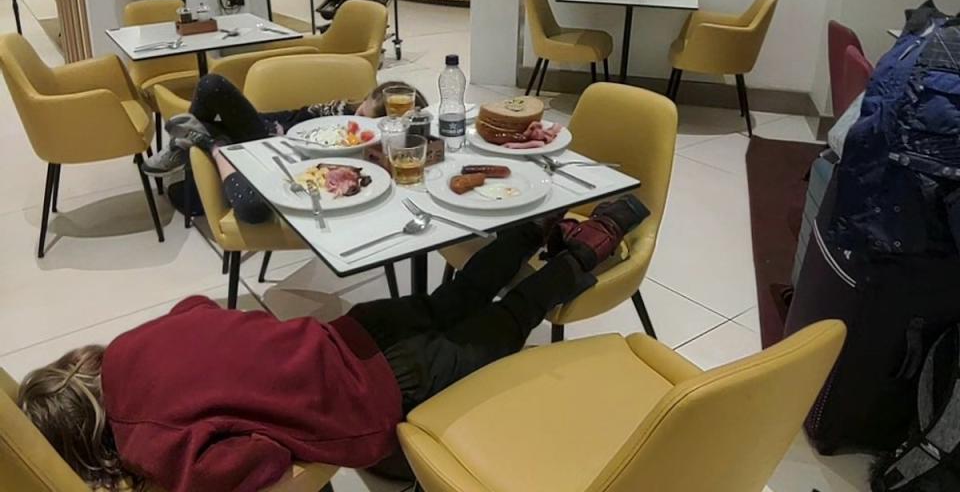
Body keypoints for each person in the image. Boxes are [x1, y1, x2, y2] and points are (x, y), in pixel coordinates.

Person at [18, 195, 648, 492]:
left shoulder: (148, 441)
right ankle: (536, 227)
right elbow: (197, 308)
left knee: (506, 323)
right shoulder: (130, 344)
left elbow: (253, 464)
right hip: (356, 330)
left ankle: (590, 244)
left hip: (386, 387)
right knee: (451, 299)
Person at [142, 74, 427, 223]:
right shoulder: (336, 112)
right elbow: (286, 121)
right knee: (213, 85)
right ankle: (190, 144)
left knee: (251, 209)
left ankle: (205, 142)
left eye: (369, 123)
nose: (357, 124)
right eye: (361, 113)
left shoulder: (392, 153)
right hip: (268, 139)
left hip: (288, 168)